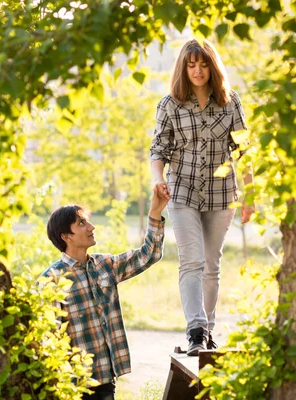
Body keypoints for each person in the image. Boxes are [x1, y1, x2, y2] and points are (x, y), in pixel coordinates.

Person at [150, 38, 254, 357]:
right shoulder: (170, 104)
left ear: (212, 66)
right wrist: (157, 182)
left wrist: (250, 195)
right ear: (183, 67)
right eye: (191, 64)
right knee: (191, 261)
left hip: (222, 195)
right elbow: (158, 149)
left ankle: (207, 332)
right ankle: (195, 329)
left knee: (211, 264)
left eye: (203, 64)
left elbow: (245, 149)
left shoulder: (230, 101)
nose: (197, 70)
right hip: (181, 191)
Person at [40, 188, 169, 400]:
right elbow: (48, 339)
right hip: (73, 384)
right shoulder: (51, 281)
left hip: (106, 378)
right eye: (81, 223)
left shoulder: (105, 265)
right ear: (65, 237)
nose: (91, 227)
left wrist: (155, 212)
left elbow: (149, 255)